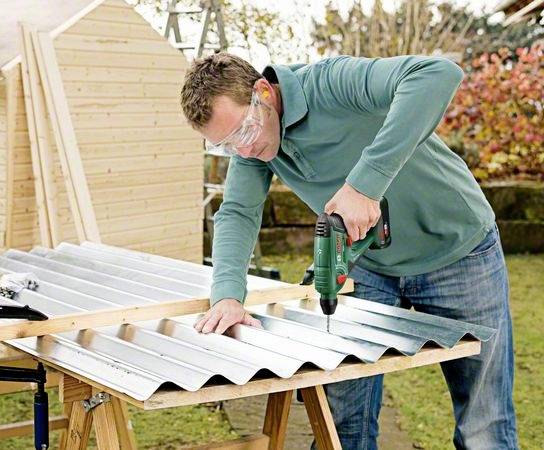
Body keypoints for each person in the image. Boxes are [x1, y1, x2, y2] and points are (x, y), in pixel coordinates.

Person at [180, 52, 518, 450]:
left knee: (484, 422)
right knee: (340, 421)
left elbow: (437, 74)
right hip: (368, 262)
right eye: (228, 145)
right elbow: (237, 212)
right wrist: (227, 296)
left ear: (263, 93)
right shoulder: (255, 145)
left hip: (459, 251)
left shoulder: (330, 83)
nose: (244, 150)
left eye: (244, 132)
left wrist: (364, 185)